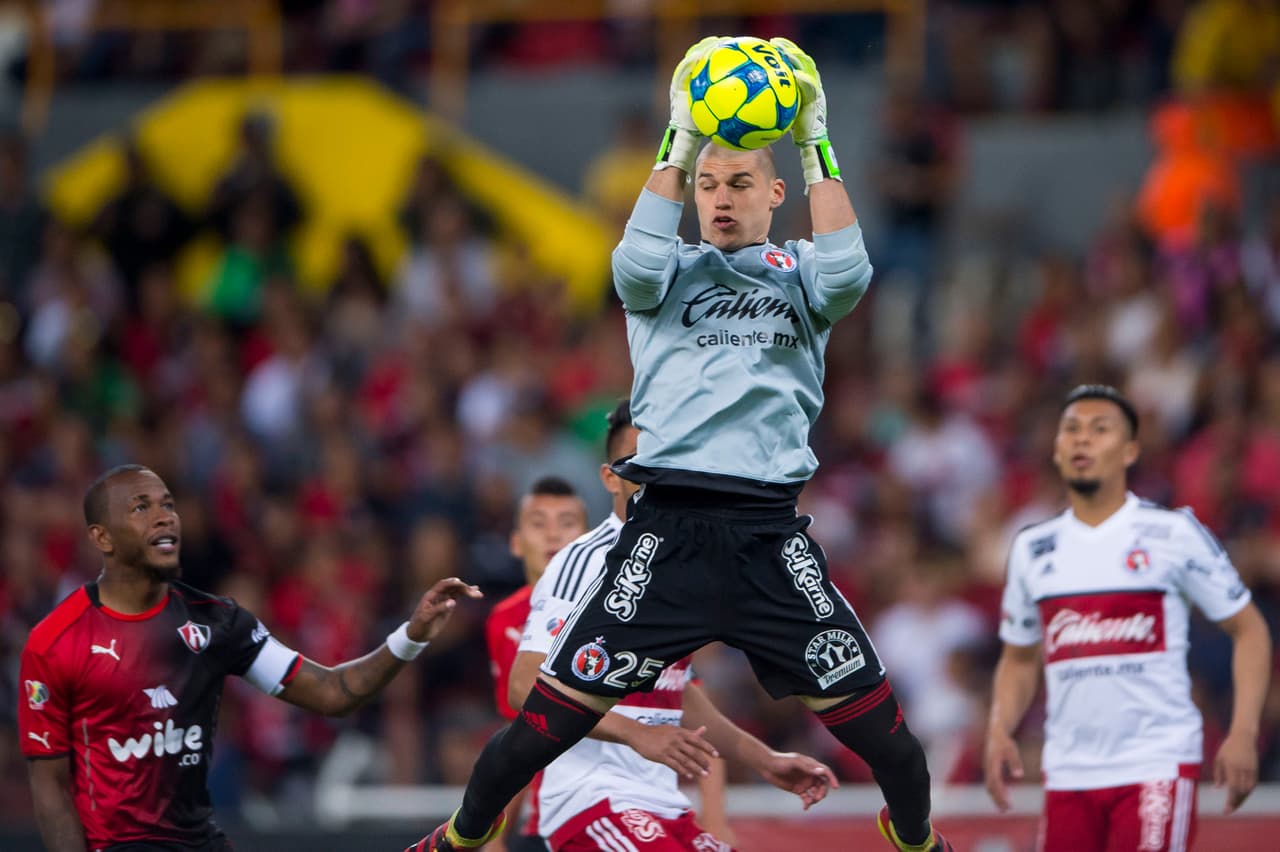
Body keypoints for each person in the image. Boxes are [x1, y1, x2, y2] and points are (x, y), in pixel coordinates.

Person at [408, 36, 951, 852]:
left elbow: (850, 272)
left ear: (775, 193)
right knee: (544, 726)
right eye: (706, 185)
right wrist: (680, 134)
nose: (720, 198)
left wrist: (812, 139)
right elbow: (629, 262)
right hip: (665, 537)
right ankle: (456, 840)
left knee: (895, 751)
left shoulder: (803, 274)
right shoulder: (664, 280)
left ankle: (916, 842)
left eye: (739, 184)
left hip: (771, 540)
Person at [18, 464, 481, 851]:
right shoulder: (56, 641)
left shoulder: (219, 623)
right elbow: (50, 785)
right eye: (142, 507)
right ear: (102, 538)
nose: (164, 518)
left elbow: (334, 693)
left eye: (169, 505)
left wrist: (411, 635)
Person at [508, 400, 837, 851]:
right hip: (592, 798)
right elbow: (525, 685)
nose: (650, 478)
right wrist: (638, 734)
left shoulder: (683, 562)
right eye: (635, 464)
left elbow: (675, 688)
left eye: (661, 462)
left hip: (663, 801)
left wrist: (764, 758)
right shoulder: (584, 561)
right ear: (609, 477)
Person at [984, 385, 1272, 852]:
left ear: (1130, 450)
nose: (1082, 440)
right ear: (1056, 449)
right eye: (1072, 430)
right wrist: (999, 730)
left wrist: (1242, 732)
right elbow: (1019, 659)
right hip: (1069, 772)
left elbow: (1250, 629)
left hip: (1155, 763)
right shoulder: (1031, 549)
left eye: (1100, 430)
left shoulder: (1172, 533)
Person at [485, 475, 589, 851]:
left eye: (566, 523)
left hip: (623, 784)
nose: (553, 535)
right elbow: (519, 732)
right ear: (516, 542)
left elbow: (685, 696)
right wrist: (493, 833)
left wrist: (715, 815)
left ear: (589, 540)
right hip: (552, 802)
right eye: (538, 523)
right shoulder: (503, 620)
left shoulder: (614, 607)